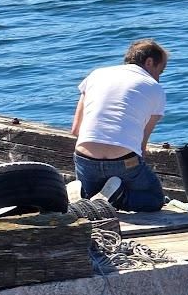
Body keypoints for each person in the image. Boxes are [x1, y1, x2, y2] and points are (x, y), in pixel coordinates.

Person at [70, 38, 167, 212]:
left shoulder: (96, 74)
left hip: (85, 159)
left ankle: (83, 194)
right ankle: (119, 197)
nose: (158, 78)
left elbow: (76, 129)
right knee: (154, 198)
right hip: (123, 162)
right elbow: (140, 146)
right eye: (160, 71)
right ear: (149, 62)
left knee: (96, 196)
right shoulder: (155, 88)